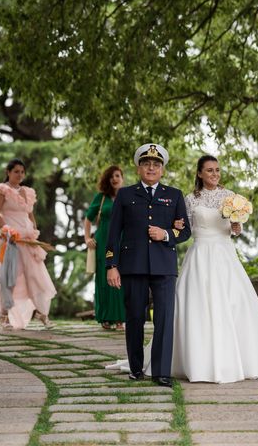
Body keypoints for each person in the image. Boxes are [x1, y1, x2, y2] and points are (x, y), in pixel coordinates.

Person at [168, 154, 258, 383]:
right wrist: (175, 226)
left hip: (224, 255)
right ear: (200, 173)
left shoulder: (230, 197)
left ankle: (238, 361)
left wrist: (236, 226)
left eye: (217, 170)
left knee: (234, 302)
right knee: (197, 304)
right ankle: (197, 362)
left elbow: (235, 230)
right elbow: (186, 230)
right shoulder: (190, 199)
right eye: (209, 170)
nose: (214, 174)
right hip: (200, 254)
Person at [106, 143, 191, 388]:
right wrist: (111, 265)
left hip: (164, 266)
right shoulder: (125, 194)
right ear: (139, 167)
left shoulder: (174, 195)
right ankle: (135, 368)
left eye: (156, 164)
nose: (151, 168)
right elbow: (113, 233)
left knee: (164, 319)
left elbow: (184, 230)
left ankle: (161, 372)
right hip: (132, 266)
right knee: (134, 318)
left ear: (162, 169)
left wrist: (165, 234)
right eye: (146, 164)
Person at [0, 158, 57, 330]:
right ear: (8, 172)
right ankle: (4, 315)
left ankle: (42, 312)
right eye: (16, 171)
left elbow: (29, 214)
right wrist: (7, 230)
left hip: (27, 238)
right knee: (10, 277)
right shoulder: (1, 190)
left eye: (22, 172)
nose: (19, 175)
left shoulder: (27, 191)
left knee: (35, 275)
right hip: (10, 239)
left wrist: (34, 230)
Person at [84, 165, 126, 331]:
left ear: (122, 178)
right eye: (111, 177)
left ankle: (120, 319)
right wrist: (87, 238)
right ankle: (105, 317)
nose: (115, 179)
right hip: (103, 242)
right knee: (104, 279)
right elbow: (88, 219)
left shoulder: (127, 196)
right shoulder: (101, 198)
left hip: (123, 242)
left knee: (122, 278)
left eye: (117, 175)